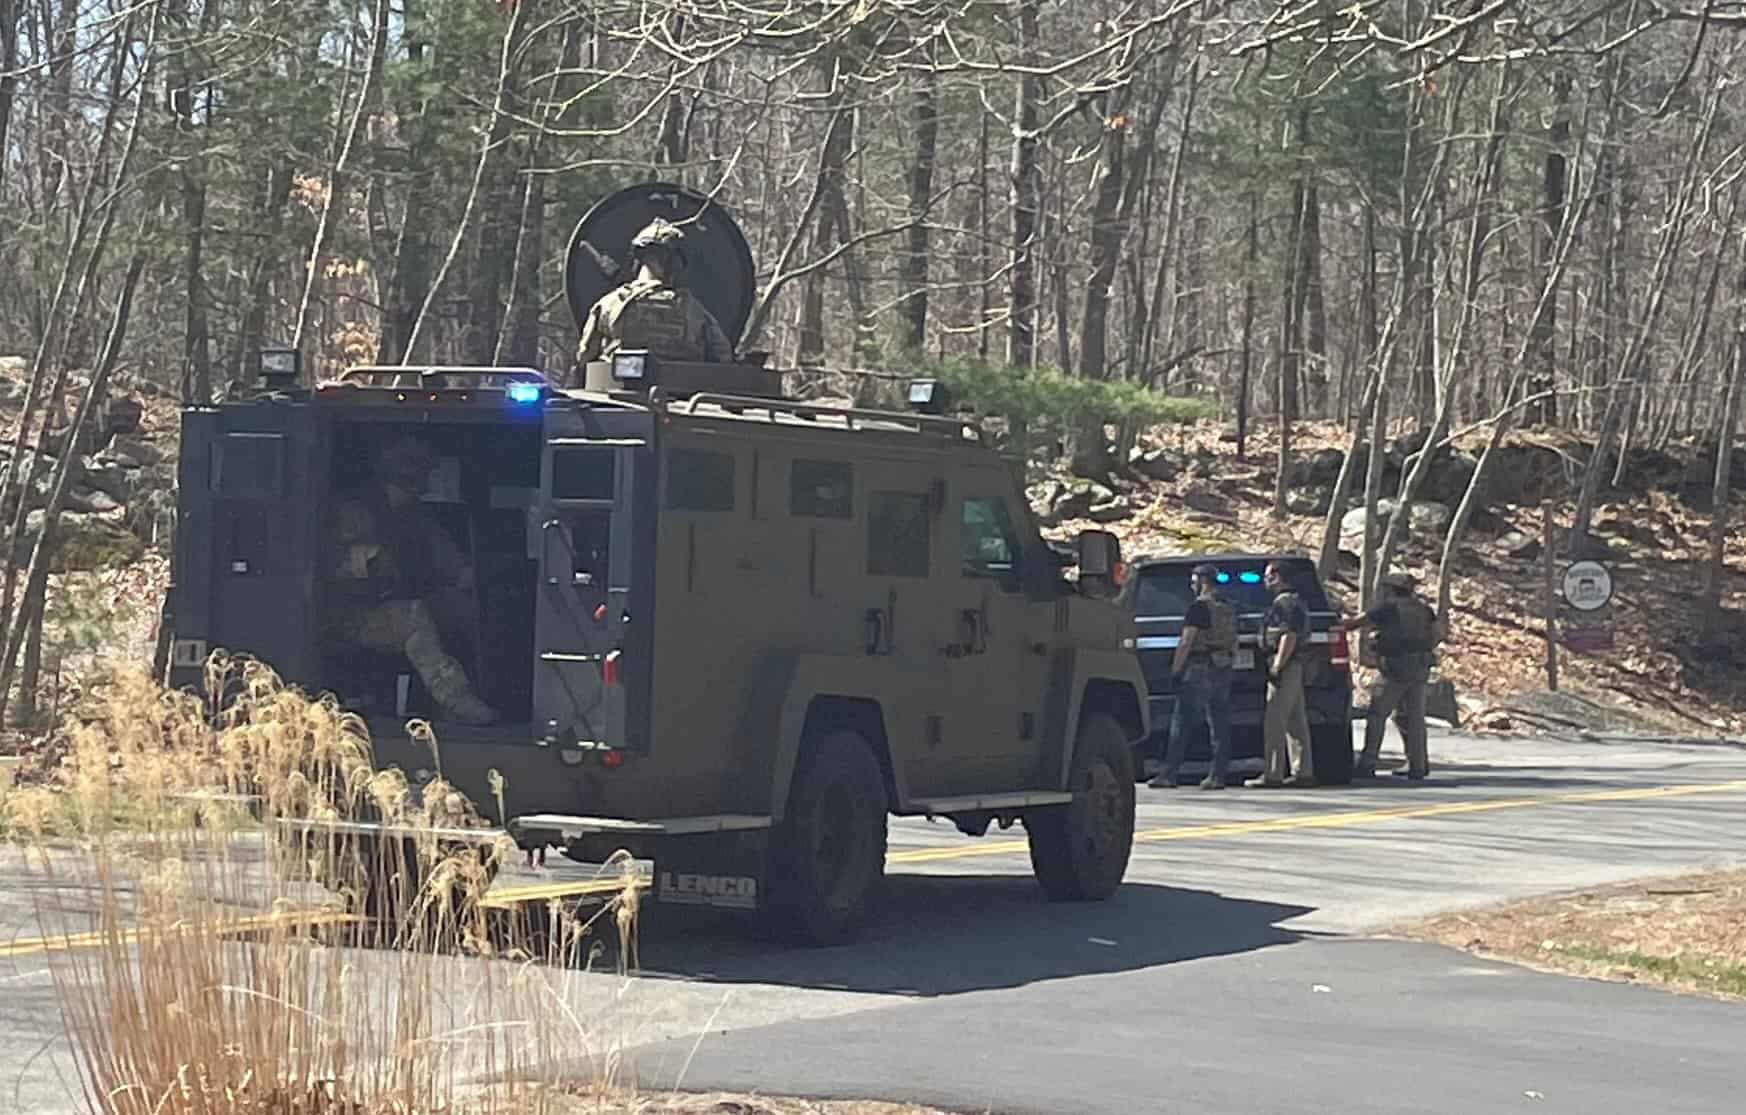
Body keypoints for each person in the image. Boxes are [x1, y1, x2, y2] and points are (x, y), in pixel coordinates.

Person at [321, 436, 500, 726]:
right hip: (348, 616)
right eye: (420, 471)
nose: (425, 480)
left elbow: (450, 562)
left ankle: (490, 691)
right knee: (412, 617)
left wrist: (467, 576)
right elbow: (329, 564)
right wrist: (368, 560)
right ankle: (456, 700)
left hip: (390, 606)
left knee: (460, 609)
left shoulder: (415, 520)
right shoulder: (353, 513)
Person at [574, 218, 734, 369]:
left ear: (639, 257)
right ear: (675, 263)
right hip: (681, 394)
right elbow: (723, 358)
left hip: (615, 392)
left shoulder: (609, 304)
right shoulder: (693, 310)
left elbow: (584, 357)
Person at [1341, 571, 1445, 781]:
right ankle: (1418, 765)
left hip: (1395, 669)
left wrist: (1336, 623)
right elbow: (1437, 634)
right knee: (1413, 718)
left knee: (1377, 714)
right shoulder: (1423, 609)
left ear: (1389, 589)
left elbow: (1354, 624)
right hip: (1420, 668)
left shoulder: (1387, 608)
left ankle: (1368, 762)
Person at [1151, 563, 1236, 790]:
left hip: (1199, 667)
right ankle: (1218, 775)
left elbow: (1187, 640)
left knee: (1182, 720)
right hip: (1223, 666)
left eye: (1194, 579)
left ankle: (1169, 773)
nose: (1191, 584)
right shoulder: (1227, 606)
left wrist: (1176, 670)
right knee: (1219, 723)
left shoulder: (1199, 607)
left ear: (1203, 580)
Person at [1249, 560, 1315, 788]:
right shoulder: (1296, 602)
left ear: (1278, 577)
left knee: (1274, 721)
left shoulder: (1284, 605)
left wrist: (1277, 666)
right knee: (1296, 722)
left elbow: (1289, 636)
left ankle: (1272, 774)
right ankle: (1303, 771)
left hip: (1286, 665)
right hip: (1296, 666)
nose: (1265, 579)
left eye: (1268, 575)